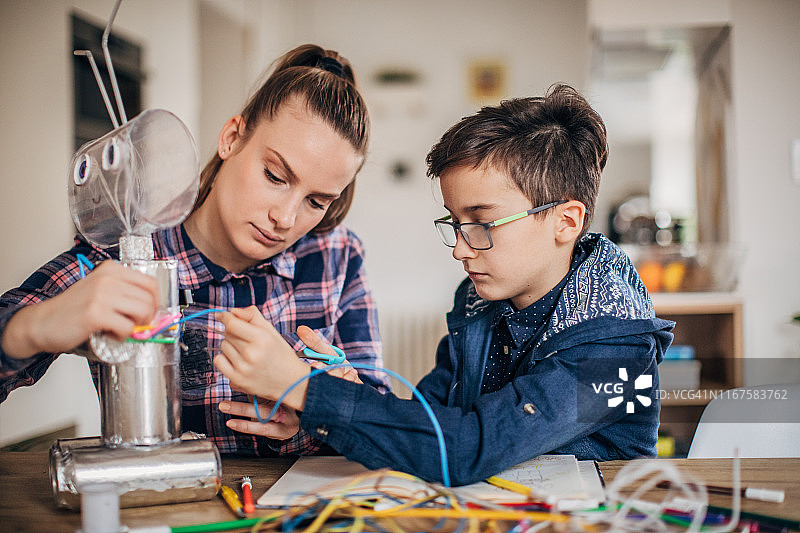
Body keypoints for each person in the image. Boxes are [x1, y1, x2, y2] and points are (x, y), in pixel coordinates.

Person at [214, 84, 675, 485]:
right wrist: (338, 395)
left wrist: (305, 389)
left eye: (482, 222)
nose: (460, 248)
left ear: (565, 221)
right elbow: (427, 423)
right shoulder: (479, 302)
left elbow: (466, 446)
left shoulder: (617, 353)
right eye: (455, 223)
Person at [0, 44, 389, 456]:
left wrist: (313, 409)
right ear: (232, 138)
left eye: (317, 201)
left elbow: (383, 419)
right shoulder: (127, 255)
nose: (286, 218)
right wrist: (32, 328)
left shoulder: (335, 256)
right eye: (275, 176)